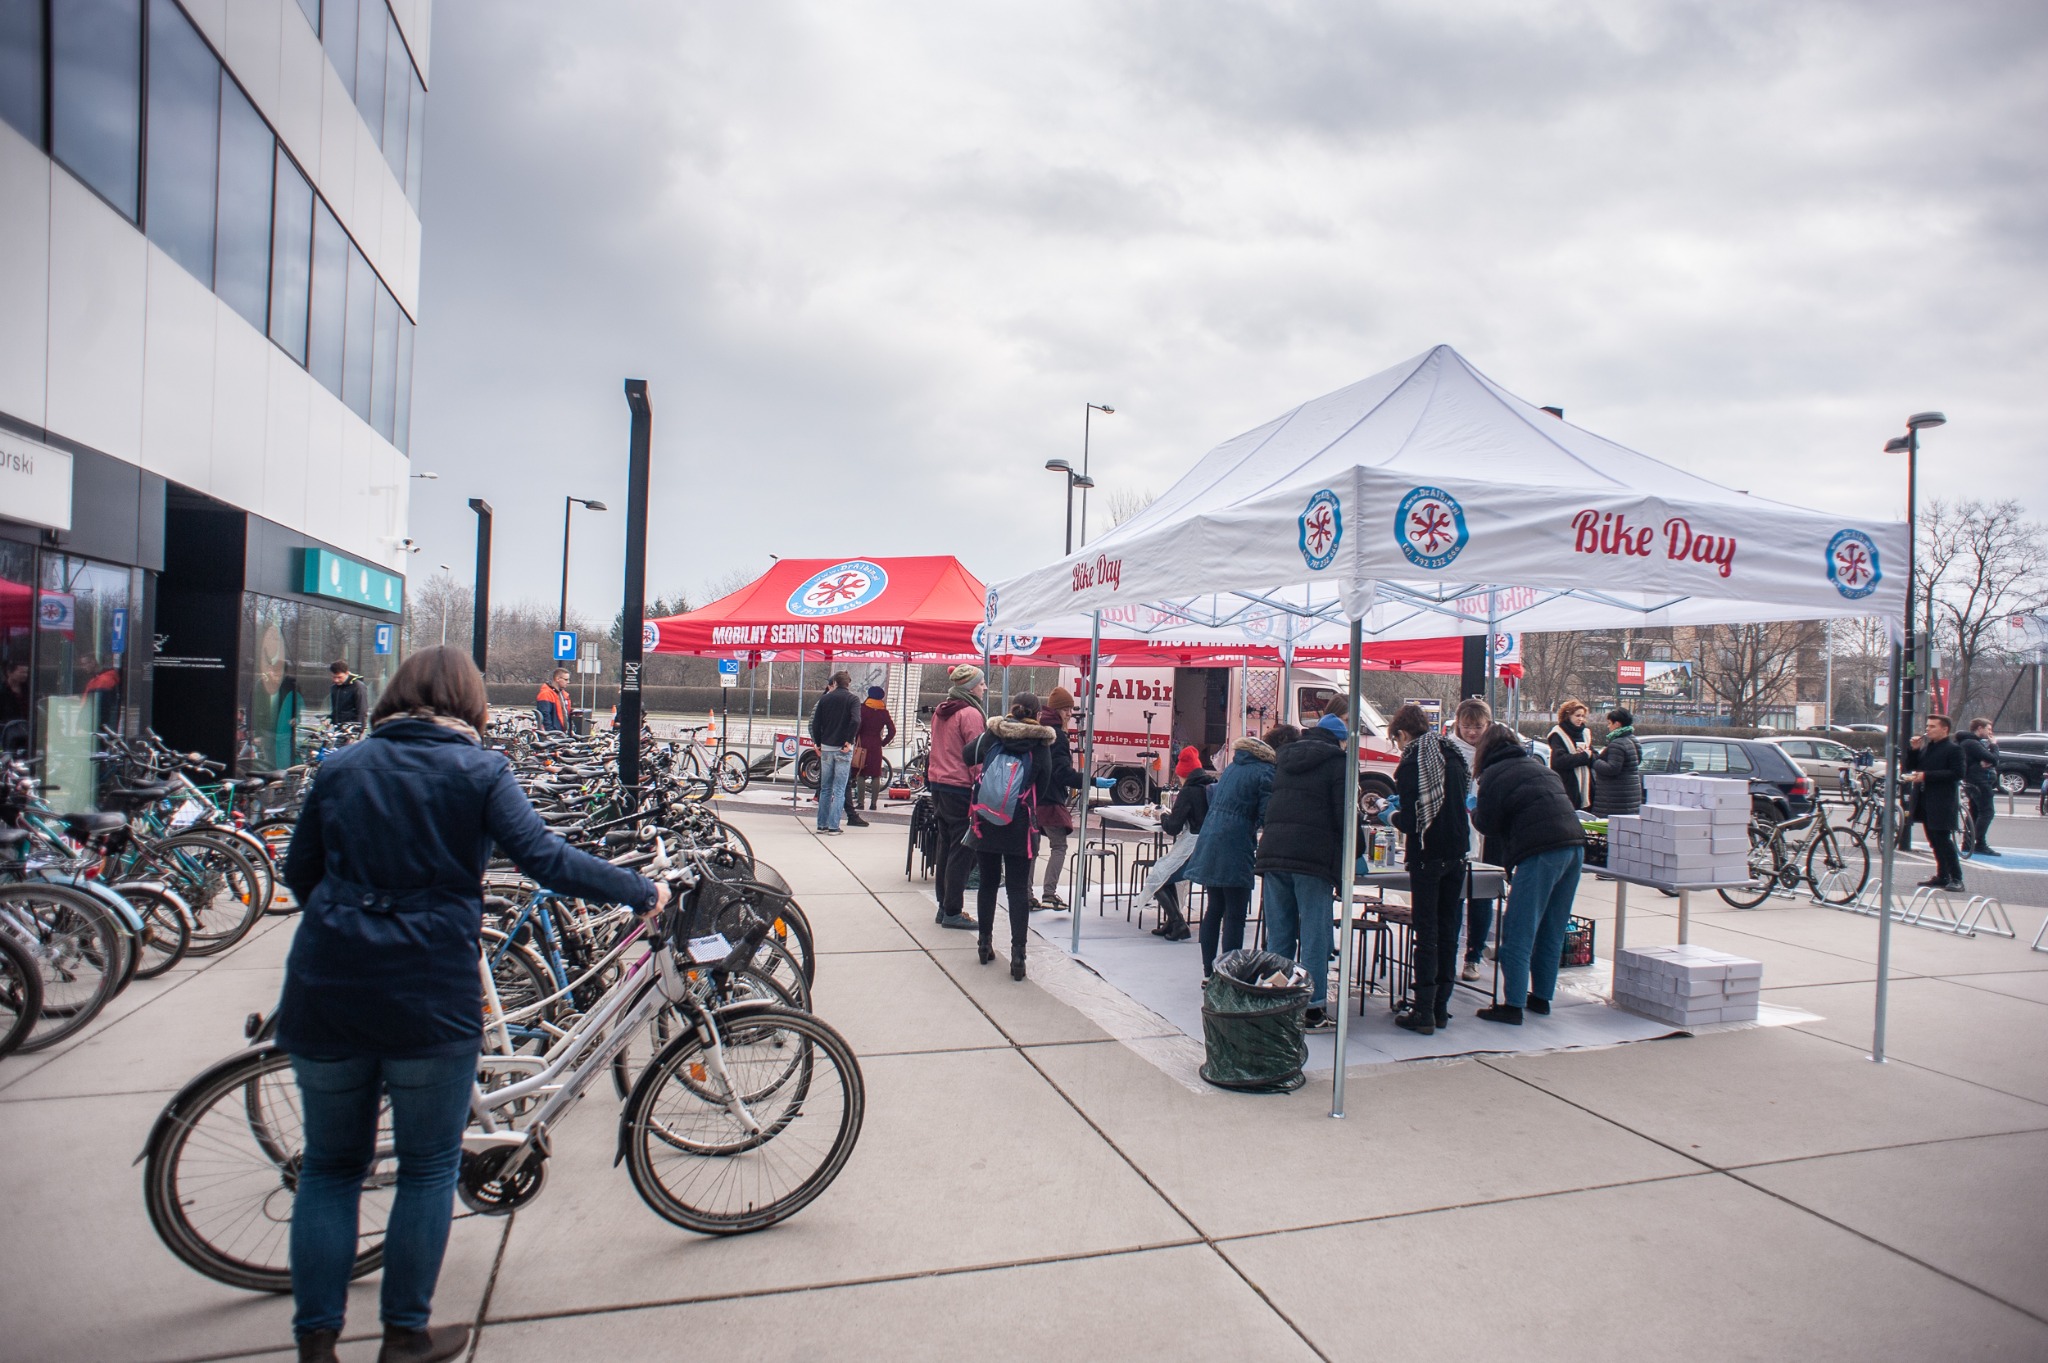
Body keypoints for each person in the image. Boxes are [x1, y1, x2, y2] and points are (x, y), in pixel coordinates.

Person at [276, 646, 665, 1363]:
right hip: (427, 994)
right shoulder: (479, 771)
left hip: (325, 988)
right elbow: (545, 858)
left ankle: (316, 1344)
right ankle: (403, 1337)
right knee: (428, 1166)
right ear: (470, 704)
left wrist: (348, 922)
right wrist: (639, 889)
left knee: (332, 1167)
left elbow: (299, 873)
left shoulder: (340, 769)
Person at [1471, 722, 1586, 1025]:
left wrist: (1473, 808)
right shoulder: (1539, 767)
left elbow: (1487, 825)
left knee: (1519, 929)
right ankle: (1542, 998)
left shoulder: (1493, 774)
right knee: (1552, 926)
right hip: (1575, 846)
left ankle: (1513, 1005)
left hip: (1540, 851)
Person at [1255, 695, 1351, 1029]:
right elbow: (1343, 816)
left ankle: (1279, 1002)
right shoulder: (1338, 762)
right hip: (1311, 858)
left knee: (1280, 933)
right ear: (1340, 739)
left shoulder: (1284, 757)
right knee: (1314, 934)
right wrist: (1358, 850)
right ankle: (1313, 1008)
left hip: (1273, 852)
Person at [1382, 704, 1471, 1034]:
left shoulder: (1413, 762)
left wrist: (1387, 815)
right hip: (1458, 851)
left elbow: (1411, 819)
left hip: (1428, 853)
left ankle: (1422, 1012)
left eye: (1397, 741)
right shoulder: (1452, 753)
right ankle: (1441, 1008)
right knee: (1449, 931)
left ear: (1403, 734)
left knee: (1427, 933)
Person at [1187, 727, 1292, 979]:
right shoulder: (1266, 771)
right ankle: (1229, 976)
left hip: (1211, 838)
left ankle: (1209, 973)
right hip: (1235, 844)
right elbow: (1268, 815)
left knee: (1214, 908)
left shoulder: (1235, 766)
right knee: (1235, 914)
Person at [967, 695, 1057, 980]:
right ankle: (1018, 955)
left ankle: (984, 943)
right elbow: (1042, 788)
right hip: (1018, 824)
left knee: (988, 884)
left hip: (986, 819)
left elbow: (967, 755)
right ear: (1038, 715)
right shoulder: (1041, 746)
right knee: (1017, 890)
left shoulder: (994, 735)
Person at [926, 665, 988, 928]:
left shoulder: (941, 711)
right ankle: (952, 909)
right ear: (971, 686)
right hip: (960, 785)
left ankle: (944, 906)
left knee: (946, 846)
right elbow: (976, 755)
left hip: (939, 783)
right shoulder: (970, 714)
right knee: (962, 849)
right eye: (982, 683)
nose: (985, 688)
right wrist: (983, 784)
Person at [1142, 746, 1212, 942]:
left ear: (1183, 774)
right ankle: (1172, 922)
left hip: (1192, 848)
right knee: (1166, 874)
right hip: (1208, 846)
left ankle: (1178, 923)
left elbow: (1173, 827)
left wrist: (1163, 814)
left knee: (1158, 877)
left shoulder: (1188, 791)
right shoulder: (1210, 786)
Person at [1449, 698, 1496, 982]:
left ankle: (1473, 956)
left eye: (1478, 727)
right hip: (1457, 835)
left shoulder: (1494, 753)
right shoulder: (1451, 751)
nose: (1472, 732)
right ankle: (1451, 952)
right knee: (1454, 898)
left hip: (1486, 836)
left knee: (1481, 899)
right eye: (1467, 726)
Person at [1034, 687, 1087, 909]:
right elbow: (1062, 773)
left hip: (1032, 797)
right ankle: (1049, 893)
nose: (1070, 713)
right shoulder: (1058, 735)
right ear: (1059, 710)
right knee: (1059, 845)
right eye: (1068, 709)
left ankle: (1027, 894)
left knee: (1032, 848)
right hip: (1050, 798)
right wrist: (1089, 781)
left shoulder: (1037, 728)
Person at [1903, 713, 1966, 890]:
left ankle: (1957, 877)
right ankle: (1942, 875)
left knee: (1943, 839)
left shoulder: (1954, 749)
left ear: (1944, 729)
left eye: (1932, 726)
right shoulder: (1927, 748)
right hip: (1924, 799)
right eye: (1927, 726)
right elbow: (1911, 767)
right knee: (1933, 839)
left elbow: (1958, 773)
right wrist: (1914, 750)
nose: (1928, 730)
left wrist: (1926, 776)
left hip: (1942, 801)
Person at [808, 671, 861, 834]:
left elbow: (816, 723)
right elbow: (856, 720)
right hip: (843, 749)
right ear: (848, 684)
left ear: (835, 683)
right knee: (839, 789)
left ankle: (821, 824)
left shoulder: (825, 699)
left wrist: (818, 742)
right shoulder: (853, 699)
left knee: (825, 788)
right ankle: (833, 826)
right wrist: (848, 740)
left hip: (826, 747)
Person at [846, 684, 897, 820]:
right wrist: (883, 742)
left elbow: (858, 725)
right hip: (876, 745)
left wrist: (855, 738)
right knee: (876, 775)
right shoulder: (883, 712)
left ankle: (861, 802)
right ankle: (873, 803)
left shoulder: (863, 709)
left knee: (861, 773)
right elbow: (892, 731)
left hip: (863, 743)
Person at [1590, 707, 1643, 817]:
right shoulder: (1633, 740)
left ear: (1617, 724)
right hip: (1630, 796)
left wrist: (1593, 761)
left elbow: (1612, 768)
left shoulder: (1617, 743)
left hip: (1614, 798)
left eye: (1609, 723)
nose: (1608, 726)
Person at [1545, 699, 1596, 811]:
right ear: (1568, 715)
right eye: (1577, 715)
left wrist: (1590, 755)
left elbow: (1593, 756)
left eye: (1583, 716)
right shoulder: (1558, 734)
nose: (1581, 719)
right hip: (1567, 785)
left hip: (1586, 786)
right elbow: (1558, 760)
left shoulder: (1585, 733)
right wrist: (1583, 757)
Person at [1960, 718, 2000, 857]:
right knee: (1987, 812)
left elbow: (1990, 760)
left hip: (1974, 780)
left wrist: (1989, 759)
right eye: (1988, 729)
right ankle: (1979, 843)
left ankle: (1968, 843)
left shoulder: (1971, 743)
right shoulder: (1972, 743)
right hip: (1979, 782)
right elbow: (1993, 759)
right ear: (1979, 728)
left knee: (1975, 812)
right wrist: (1994, 746)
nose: (1990, 733)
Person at [328, 661, 367, 728]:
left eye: (339, 677)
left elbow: (362, 710)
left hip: (351, 728)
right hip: (338, 726)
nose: (336, 680)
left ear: (347, 673)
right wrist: (330, 718)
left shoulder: (357, 686)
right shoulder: (335, 687)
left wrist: (359, 729)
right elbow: (336, 709)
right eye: (334, 677)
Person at [535, 668, 573, 733]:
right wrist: (551, 733)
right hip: (554, 733)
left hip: (561, 732)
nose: (568, 682)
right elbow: (545, 716)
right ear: (557, 679)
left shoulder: (562, 694)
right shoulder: (546, 694)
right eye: (566, 679)